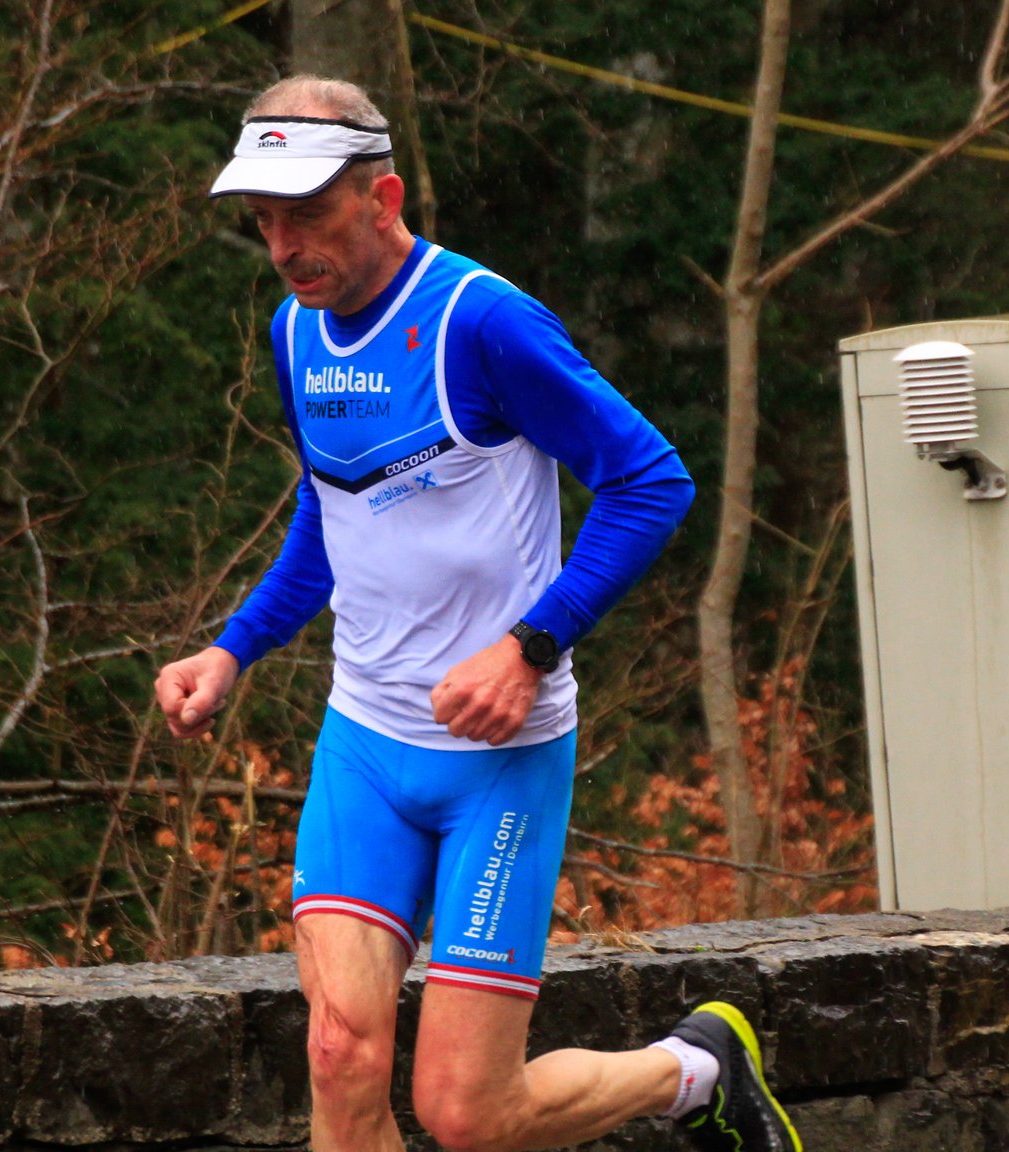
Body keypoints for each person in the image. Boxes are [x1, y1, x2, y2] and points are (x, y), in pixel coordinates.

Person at [154, 75, 801, 1152]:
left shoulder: (481, 322)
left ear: (383, 198)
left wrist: (529, 647)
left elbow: (649, 481)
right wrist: (235, 648)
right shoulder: (296, 331)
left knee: (466, 1115)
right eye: (264, 220)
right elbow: (332, 511)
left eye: (305, 214)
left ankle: (694, 1073)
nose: (283, 247)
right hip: (365, 743)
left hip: (497, 758)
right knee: (338, 1054)